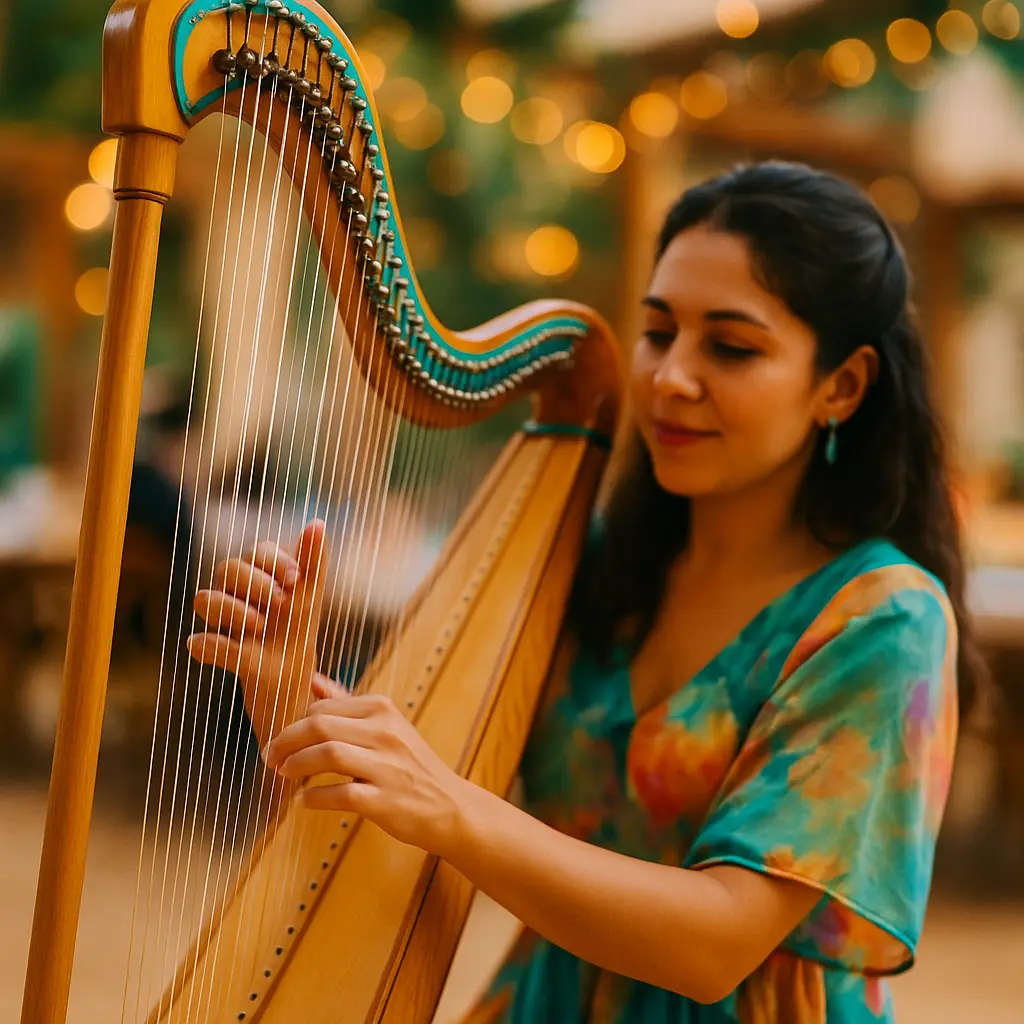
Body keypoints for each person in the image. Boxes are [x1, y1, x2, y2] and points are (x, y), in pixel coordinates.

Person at [186, 161, 984, 1023]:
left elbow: (717, 945)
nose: (671, 377)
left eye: (731, 346)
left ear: (842, 386)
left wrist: (448, 805)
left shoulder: (883, 621)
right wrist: (293, 706)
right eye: (657, 331)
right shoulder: (594, 561)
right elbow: (408, 820)